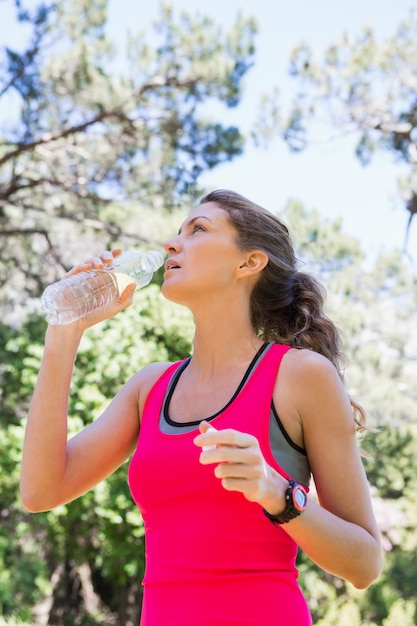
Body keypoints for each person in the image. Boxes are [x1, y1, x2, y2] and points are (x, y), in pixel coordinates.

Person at [20, 189, 382, 625]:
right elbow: (41, 491)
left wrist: (276, 492)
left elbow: (364, 564)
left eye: (198, 229)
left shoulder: (302, 376)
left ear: (248, 263)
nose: (172, 244)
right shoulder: (150, 386)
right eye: (177, 232)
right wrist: (66, 329)